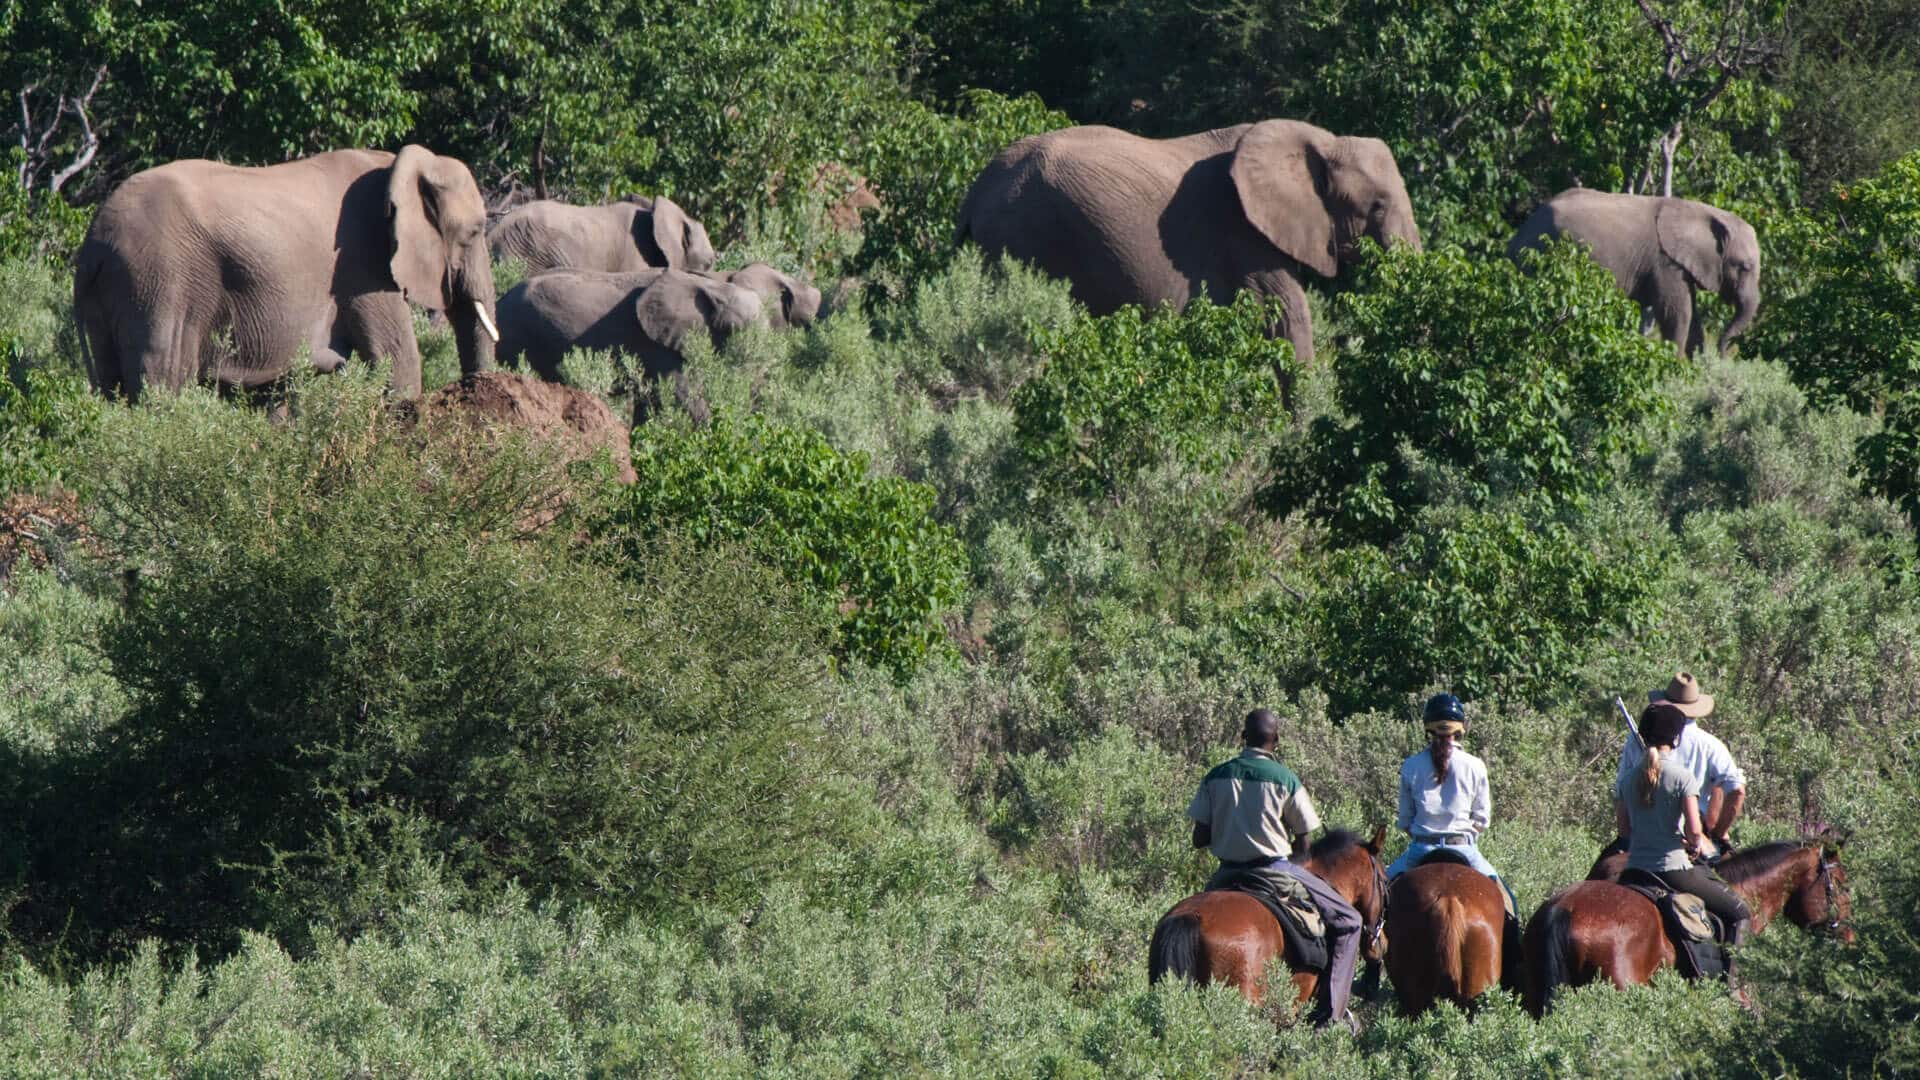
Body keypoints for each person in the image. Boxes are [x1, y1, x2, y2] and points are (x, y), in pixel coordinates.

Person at [1188, 708, 1362, 1031]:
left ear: (1243, 737)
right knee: (1350, 921)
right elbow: (1305, 843)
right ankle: (1332, 1017)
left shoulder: (1215, 776)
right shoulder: (1285, 779)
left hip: (1226, 873)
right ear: (1276, 741)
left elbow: (1199, 837)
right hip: (1275, 869)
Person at [1615, 702, 1752, 975]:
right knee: (1740, 911)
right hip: (1674, 870)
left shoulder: (1628, 779)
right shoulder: (1682, 777)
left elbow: (1624, 832)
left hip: (1633, 870)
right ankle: (1736, 988)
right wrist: (1690, 843)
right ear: (1676, 739)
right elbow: (1694, 832)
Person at [1607, 672, 1746, 857]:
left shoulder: (1635, 741)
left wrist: (1625, 839)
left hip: (1640, 834)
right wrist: (1718, 835)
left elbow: (1620, 793)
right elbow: (1737, 790)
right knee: (1723, 884)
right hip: (1691, 834)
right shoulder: (1710, 744)